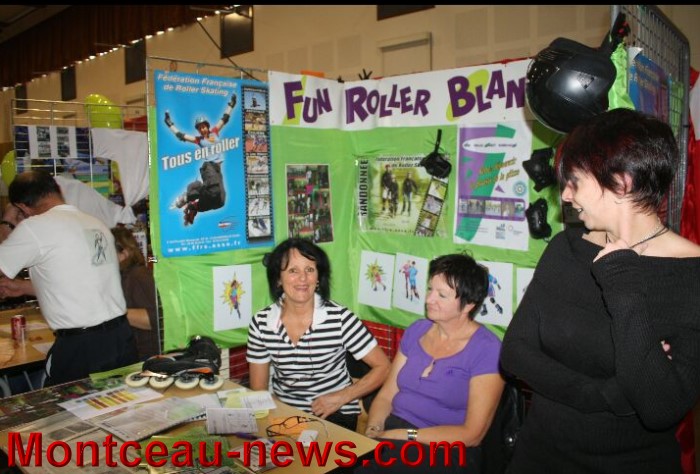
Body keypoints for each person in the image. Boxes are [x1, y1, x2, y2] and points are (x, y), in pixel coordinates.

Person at [500, 108, 700, 474]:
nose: (566, 195)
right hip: (538, 454)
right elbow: (514, 352)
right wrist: (608, 394)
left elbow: (661, 408)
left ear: (621, 182)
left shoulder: (692, 275)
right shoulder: (565, 247)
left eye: (575, 181)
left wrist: (621, 276)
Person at [359, 253, 504, 473]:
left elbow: (472, 434)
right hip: (394, 433)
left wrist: (404, 436)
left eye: (441, 295)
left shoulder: (487, 349)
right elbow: (387, 394)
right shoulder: (417, 330)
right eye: (429, 289)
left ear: (468, 305)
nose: (428, 299)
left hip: (445, 448)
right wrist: (374, 428)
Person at [0, 170, 138, 386]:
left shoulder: (35, 227)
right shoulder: (95, 223)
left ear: (23, 207)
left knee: (67, 406)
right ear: (58, 190)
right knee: (121, 402)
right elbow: (80, 281)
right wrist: (24, 287)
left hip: (83, 346)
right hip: (120, 336)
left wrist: (8, 222)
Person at [247, 237, 391, 431]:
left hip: (334, 412)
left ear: (318, 278)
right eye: (293, 271)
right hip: (286, 412)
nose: (303, 278)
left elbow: (384, 367)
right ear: (278, 279)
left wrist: (341, 397)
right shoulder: (261, 323)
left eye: (310, 270)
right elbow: (258, 390)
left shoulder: (340, 318)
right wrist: (280, 414)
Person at [165, 92, 237, 226]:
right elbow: (182, 136)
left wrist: (231, 105)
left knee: (220, 200)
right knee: (213, 189)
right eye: (200, 129)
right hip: (208, 167)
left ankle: (194, 207)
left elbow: (224, 118)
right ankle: (185, 197)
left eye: (203, 127)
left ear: (207, 126)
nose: (202, 130)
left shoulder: (214, 132)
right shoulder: (199, 140)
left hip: (217, 170)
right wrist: (170, 124)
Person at [111, 226, 160, 361]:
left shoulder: (138, 275)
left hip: (147, 357)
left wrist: (113, 312)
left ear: (124, 253)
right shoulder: (127, 275)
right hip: (138, 355)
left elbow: (156, 318)